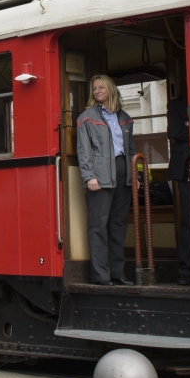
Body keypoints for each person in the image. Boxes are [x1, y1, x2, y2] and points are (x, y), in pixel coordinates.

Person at [76, 74, 135, 286]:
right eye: (94, 89)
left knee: (118, 225)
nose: (97, 91)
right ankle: (101, 276)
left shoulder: (125, 118)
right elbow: (83, 150)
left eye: (101, 87)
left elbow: (131, 151)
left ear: (110, 89)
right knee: (98, 225)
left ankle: (118, 273)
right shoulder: (87, 117)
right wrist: (89, 176)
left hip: (122, 173)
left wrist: (133, 176)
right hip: (99, 175)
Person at [166, 80, 190, 286]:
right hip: (186, 169)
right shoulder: (176, 104)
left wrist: (189, 126)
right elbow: (174, 132)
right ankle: (187, 270)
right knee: (188, 221)